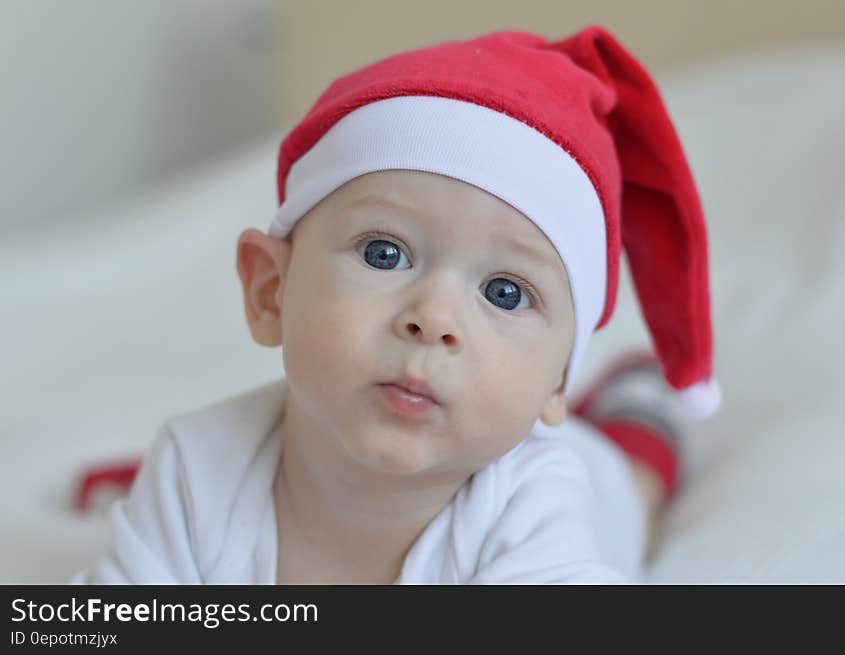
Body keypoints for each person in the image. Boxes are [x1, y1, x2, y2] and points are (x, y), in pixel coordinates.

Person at [72, 23, 721, 585]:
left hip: (594, 466)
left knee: (633, 475)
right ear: (271, 289)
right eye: (384, 253)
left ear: (557, 376)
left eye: (505, 292)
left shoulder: (537, 510)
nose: (433, 318)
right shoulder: (196, 466)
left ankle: (641, 402)